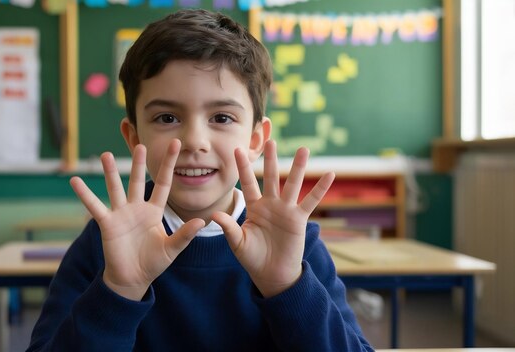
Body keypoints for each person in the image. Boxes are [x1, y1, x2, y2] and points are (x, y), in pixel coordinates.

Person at [27, 8, 373, 352]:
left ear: (255, 139)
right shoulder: (106, 243)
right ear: (134, 138)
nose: (194, 141)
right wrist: (119, 290)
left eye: (221, 117)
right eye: (166, 117)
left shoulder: (293, 243)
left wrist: (287, 286)